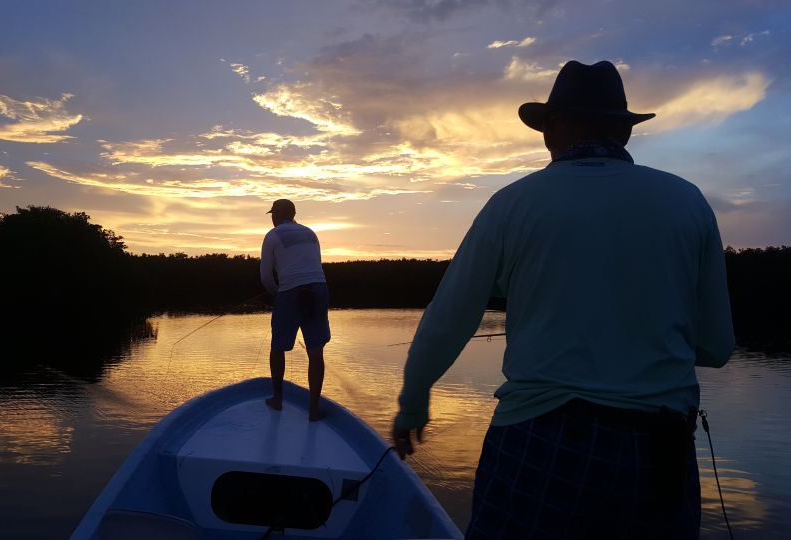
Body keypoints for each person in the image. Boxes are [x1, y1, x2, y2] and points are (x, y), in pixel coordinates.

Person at [392, 61, 734, 539]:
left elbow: (450, 318)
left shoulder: (511, 204)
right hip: (658, 452)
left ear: (551, 130)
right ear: (624, 132)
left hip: (538, 441)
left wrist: (413, 402)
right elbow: (718, 348)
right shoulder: (688, 201)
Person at [260, 199, 331, 421]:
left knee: (277, 347)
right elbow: (314, 266)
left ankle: (277, 399)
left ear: (278, 215)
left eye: (273, 214)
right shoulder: (311, 233)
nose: (271, 217)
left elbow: (265, 277)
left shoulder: (272, 236)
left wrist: (278, 292)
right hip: (319, 288)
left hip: (290, 292)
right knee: (316, 351)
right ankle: (314, 409)